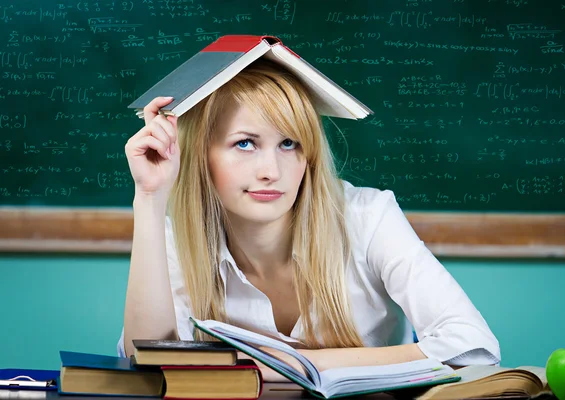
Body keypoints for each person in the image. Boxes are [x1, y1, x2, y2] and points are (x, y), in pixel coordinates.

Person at [117, 59, 500, 381]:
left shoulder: (368, 218)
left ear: (309, 155)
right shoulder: (178, 241)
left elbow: (473, 346)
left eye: (289, 143)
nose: (271, 170)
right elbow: (145, 364)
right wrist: (150, 199)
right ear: (202, 154)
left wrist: (298, 364)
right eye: (245, 143)